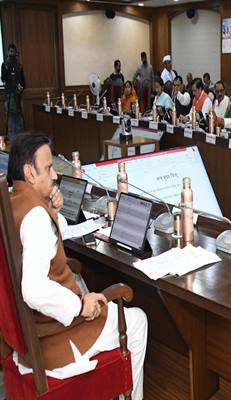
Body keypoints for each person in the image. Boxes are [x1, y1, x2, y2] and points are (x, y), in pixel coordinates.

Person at [7, 132, 147, 400]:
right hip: (54, 340)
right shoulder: (36, 217)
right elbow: (33, 289)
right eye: (48, 168)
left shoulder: (14, 203)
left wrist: (52, 211)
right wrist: (80, 305)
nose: (55, 175)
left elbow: (42, 242)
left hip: (30, 335)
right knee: (138, 320)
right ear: (30, 172)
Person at [1, 43, 26, 141]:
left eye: (13, 52)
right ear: (8, 52)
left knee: (19, 121)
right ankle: (12, 142)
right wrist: (7, 67)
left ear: (16, 53)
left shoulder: (19, 66)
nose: (11, 54)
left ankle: (20, 141)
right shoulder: (4, 65)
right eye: (10, 52)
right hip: (8, 97)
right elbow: (3, 79)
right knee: (10, 121)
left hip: (17, 97)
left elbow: (23, 83)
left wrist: (18, 91)